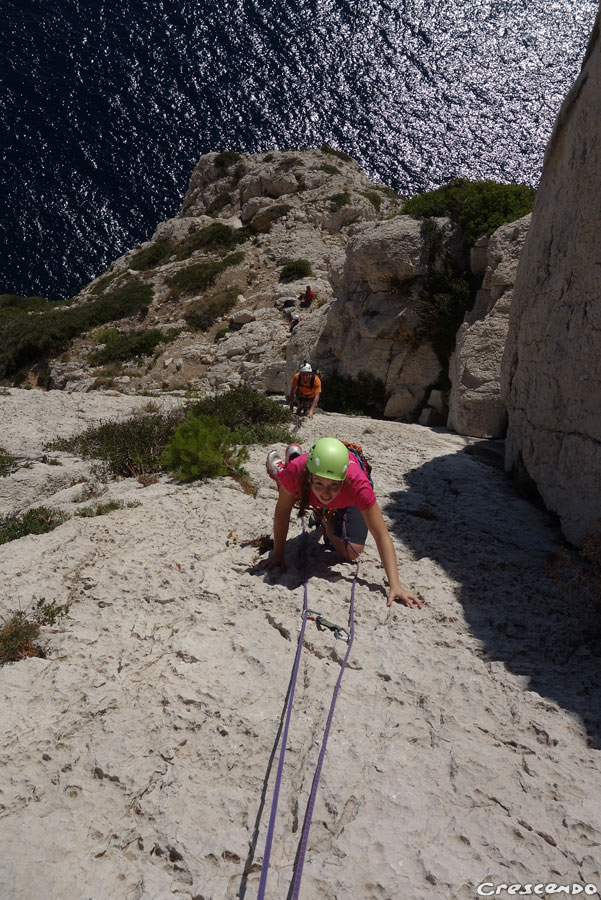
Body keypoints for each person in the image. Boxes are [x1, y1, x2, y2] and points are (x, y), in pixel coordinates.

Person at [260, 437, 422, 609]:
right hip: (300, 473)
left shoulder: (358, 486)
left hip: (343, 490)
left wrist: (395, 584)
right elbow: (283, 510)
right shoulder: (298, 471)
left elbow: (381, 534)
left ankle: (325, 518)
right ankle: (284, 470)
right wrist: (278, 553)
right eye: (319, 483)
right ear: (309, 476)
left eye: (334, 485)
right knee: (290, 487)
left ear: (344, 480)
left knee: (352, 551)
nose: (326, 493)